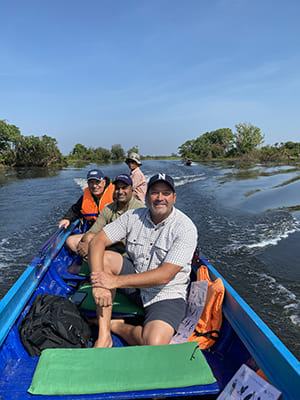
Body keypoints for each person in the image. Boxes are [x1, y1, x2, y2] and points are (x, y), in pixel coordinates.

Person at [89, 173, 198, 348]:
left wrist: (113, 281)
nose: (160, 198)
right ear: (146, 197)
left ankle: (115, 325)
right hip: (135, 284)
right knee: (106, 258)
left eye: (166, 193)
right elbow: (97, 241)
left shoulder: (185, 228)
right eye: (155, 193)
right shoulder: (133, 217)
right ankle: (104, 336)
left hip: (165, 293)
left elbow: (165, 276)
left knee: (153, 344)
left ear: (174, 198)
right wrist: (98, 283)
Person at [76, 174, 146, 260]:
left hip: (129, 252)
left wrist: (97, 244)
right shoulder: (108, 209)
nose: (120, 192)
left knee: (100, 253)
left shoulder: (140, 210)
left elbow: (135, 242)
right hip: (109, 246)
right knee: (78, 240)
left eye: (124, 188)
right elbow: (92, 231)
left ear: (131, 189)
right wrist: (87, 243)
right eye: (117, 188)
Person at [58, 169, 114, 253]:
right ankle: (90, 259)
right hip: (94, 232)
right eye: (91, 182)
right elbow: (75, 209)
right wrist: (67, 218)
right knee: (70, 241)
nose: (95, 186)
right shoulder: (86, 195)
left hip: (111, 232)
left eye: (97, 182)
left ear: (104, 182)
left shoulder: (115, 193)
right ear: (88, 184)